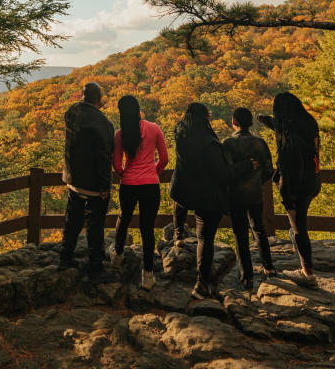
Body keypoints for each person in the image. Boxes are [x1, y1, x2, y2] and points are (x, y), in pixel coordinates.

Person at [169, 102, 233, 300]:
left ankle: (178, 233)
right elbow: (220, 172)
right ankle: (201, 282)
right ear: (205, 118)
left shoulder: (180, 132)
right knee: (205, 238)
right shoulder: (209, 142)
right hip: (206, 194)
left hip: (183, 187)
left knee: (180, 202)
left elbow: (181, 124)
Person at [260, 91, 321, 283]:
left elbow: (289, 169)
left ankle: (307, 272)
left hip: (297, 187)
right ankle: (304, 258)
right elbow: (286, 127)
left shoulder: (289, 142)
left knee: (299, 228)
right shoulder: (308, 123)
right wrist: (266, 120)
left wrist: (286, 194)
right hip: (314, 180)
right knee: (299, 224)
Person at [111, 95, 169, 290]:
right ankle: (148, 275)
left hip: (128, 184)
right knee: (147, 228)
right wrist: (153, 172)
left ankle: (117, 255)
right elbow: (165, 159)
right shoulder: (154, 128)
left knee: (123, 219)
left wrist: (125, 175)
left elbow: (117, 165)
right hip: (150, 185)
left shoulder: (120, 134)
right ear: (138, 109)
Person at [60, 81, 114, 275]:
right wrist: (105, 186)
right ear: (99, 99)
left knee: (72, 220)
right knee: (95, 224)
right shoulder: (103, 123)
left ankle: (65, 257)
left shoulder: (72, 113)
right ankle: (95, 265)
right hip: (93, 184)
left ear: (82, 96)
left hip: (73, 179)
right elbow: (104, 157)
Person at [223, 106, 276, 289]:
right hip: (255, 193)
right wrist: (258, 180)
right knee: (259, 229)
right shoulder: (260, 143)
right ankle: (269, 267)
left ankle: (247, 276)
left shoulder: (228, 144)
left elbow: (226, 173)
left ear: (233, 122)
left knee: (240, 233)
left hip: (235, 195)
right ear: (250, 123)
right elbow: (269, 170)